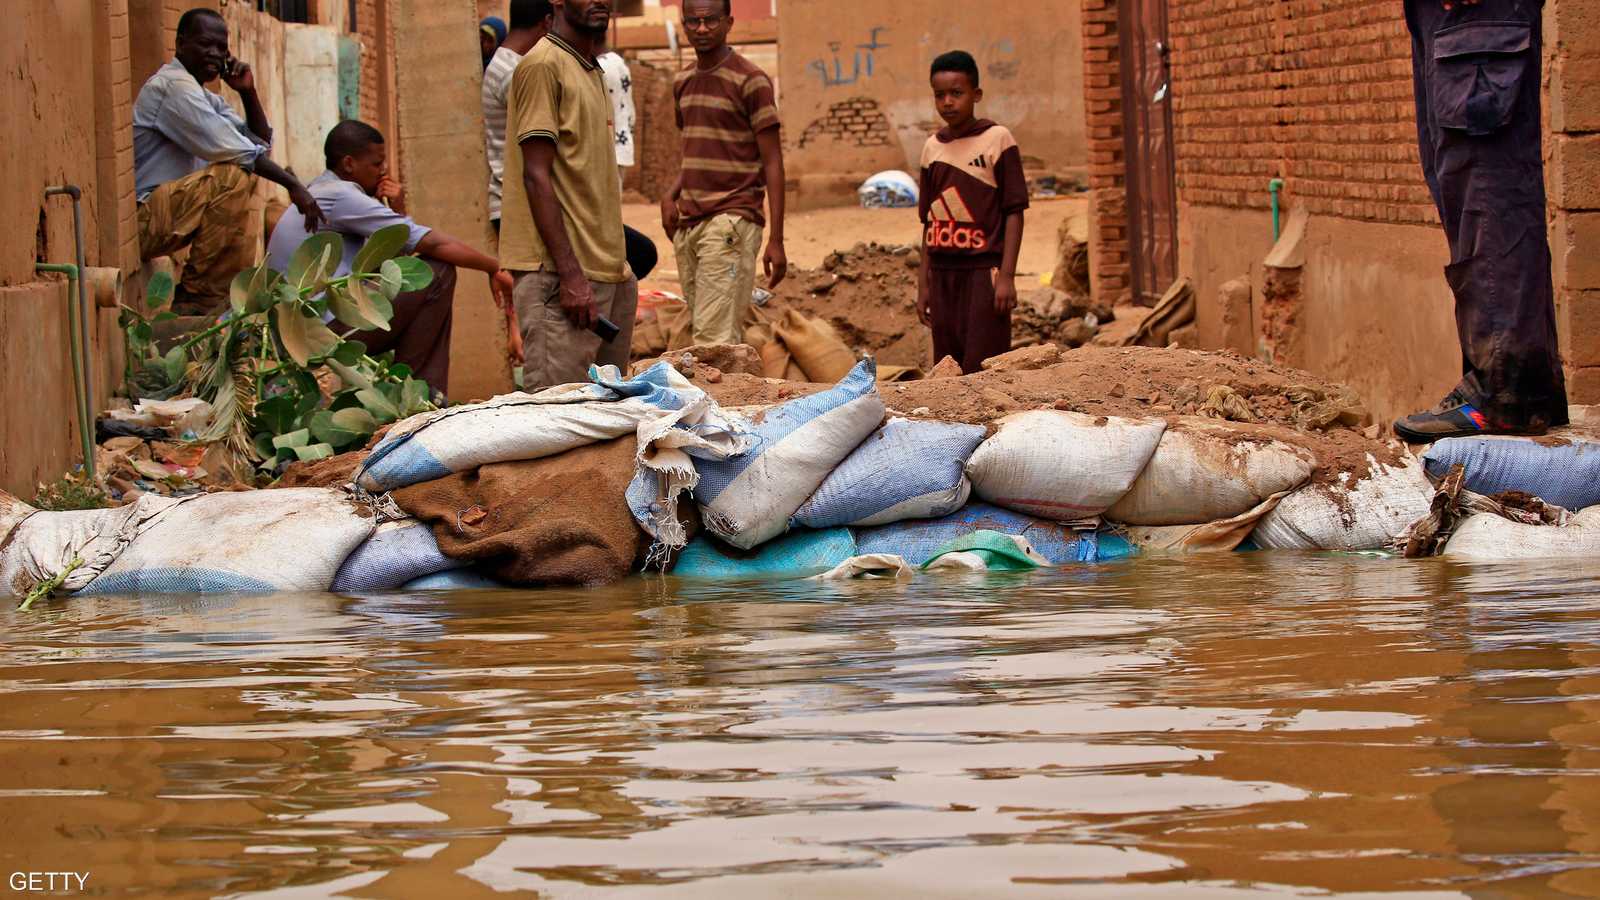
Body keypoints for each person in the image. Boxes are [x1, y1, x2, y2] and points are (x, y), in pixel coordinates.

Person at [1392, 0, 1568, 441]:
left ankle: (1502, 396)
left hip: (1477, 18)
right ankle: (1524, 390)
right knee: (1460, 181)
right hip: (1442, 17)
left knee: (1487, 185)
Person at [266, 121, 515, 398]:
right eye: (376, 163)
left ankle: (412, 394)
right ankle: (421, 397)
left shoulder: (320, 190)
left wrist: (398, 209)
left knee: (415, 278)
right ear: (349, 164)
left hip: (300, 331)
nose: (384, 171)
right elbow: (432, 242)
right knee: (439, 272)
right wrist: (494, 267)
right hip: (320, 334)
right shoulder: (342, 197)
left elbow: (394, 266)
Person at [134, 7, 324, 315]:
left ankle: (217, 296)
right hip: (142, 222)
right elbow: (243, 154)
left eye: (221, 48)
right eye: (205, 45)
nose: (215, 54)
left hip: (167, 219)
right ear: (181, 44)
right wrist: (294, 186)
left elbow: (258, 146)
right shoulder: (173, 87)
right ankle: (197, 296)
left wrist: (248, 92)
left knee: (241, 178)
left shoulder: (203, 95)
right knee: (231, 177)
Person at [501, 0, 638, 391]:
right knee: (555, 420)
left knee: (608, 416)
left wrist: (619, 270)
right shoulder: (543, 65)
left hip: (605, 273)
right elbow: (536, 176)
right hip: (561, 279)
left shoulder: (589, 67)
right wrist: (571, 275)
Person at [660, 0, 787, 345]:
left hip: (732, 219)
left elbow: (773, 162)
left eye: (711, 21)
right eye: (694, 22)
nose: (702, 29)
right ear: (683, 25)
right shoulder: (683, 81)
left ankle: (721, 398)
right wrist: (670, 195)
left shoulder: (751, 81)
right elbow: (698, 150)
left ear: (729, 22)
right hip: (690, 223)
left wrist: (776, 239)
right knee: (712, 331)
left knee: (711, 340)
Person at [915, 51, 1028, 374]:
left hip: (983, 272)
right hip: (942, 273)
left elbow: (1015, 212)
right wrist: (923, 284)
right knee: (947, 367)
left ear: (976, 95)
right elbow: (929, 221)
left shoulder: (998, 140)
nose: (948, 102)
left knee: (983, 365)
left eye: (957, 93)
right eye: (940, 95)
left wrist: (1006, 276)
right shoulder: (931, 148)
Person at [484, 0, 554, 234]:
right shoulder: (515, 73)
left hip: (516, 199)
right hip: (518, 203)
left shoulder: (508, 63)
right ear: (547, 22)